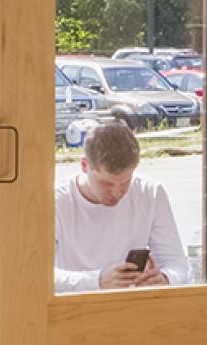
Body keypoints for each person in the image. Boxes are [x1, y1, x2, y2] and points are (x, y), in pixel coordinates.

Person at [55, 123, 188, 292]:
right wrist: (97, 281)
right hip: (71, 308)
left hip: (131, 306)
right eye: (106, 183)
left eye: (126, 182)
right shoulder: (57, 201)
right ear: (84, 166)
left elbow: (177, 264)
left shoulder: (150, 192)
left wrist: (165, 279)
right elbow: (39, 275)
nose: (117, 192)